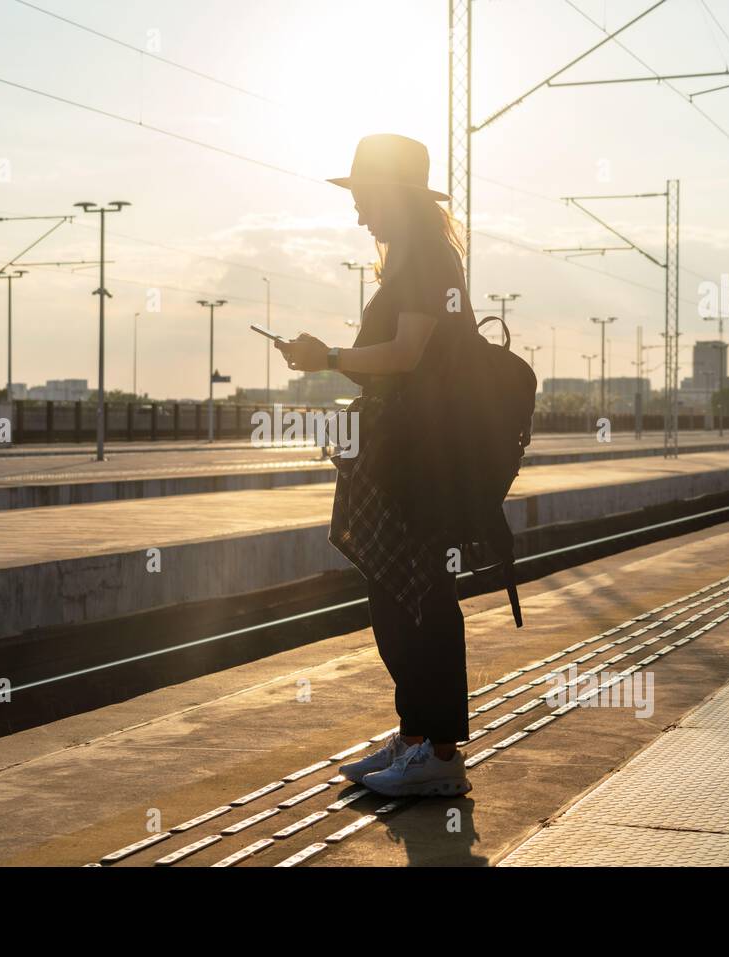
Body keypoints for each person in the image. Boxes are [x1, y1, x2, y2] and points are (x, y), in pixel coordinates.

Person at [274, 133, 475, 798]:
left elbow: (409, 353)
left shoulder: (428, 261)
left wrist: (329, 356)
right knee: (397, 594)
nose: (359, 213)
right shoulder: (413, 258)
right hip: (401, 454)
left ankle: (439, 752)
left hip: (424, 458)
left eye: (363, 198)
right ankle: (416, 737)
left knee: (421, 599)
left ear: (392, 194)